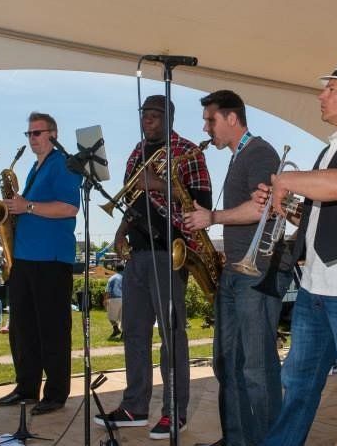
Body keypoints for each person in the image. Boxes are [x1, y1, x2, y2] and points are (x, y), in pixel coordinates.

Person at [258, 57, 337, 446]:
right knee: (297, 382)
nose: (321, 95)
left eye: (331, 88)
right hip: (316, 284)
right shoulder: (330, 147)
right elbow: (322, 213)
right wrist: (284, 201)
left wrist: (285, 179)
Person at [94, 95, 211, 440]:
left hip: (170, 251)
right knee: (134, 332)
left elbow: (202, 205)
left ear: (169, 116)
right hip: (138, 253)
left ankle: (175, 412)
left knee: (171, 336)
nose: (148, 119)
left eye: (155, 114)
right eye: (144, 113)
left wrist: (160, 185)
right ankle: (134, 406)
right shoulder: (136, 151)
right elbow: (131, 200)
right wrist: (119, 235)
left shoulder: (189, 152)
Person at [183, 89, 286, 446]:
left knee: (257, 368)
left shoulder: (260, 152)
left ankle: (269, 441)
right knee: (227, 364)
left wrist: (211, 217)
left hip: (256, 272)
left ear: (231, 118)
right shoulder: (237, 156)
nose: (206, 127)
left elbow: (264, 208)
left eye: (210, 119)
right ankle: (238, 440)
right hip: (235, 273)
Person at [0, 112, 81, 416]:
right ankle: (26, 388)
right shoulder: (34, 166)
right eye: (28, 134)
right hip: (25, 258)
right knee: (22, 328)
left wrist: (26, 205)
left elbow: (69, 208)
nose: (31, 139)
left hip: (52, 259)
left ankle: (55, 394)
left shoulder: (64, 164)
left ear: (53, 134)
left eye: (37, 133)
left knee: (52, 329)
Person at [104, 264, 124, 339]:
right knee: (123, 317)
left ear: (116, 269)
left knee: (111, 316)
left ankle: (116, 329)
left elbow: (108, 290)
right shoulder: (127, 277)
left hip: (114, 299)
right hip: (125, 299)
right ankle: (124, 333)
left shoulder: (112, 278)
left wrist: (105, 300)